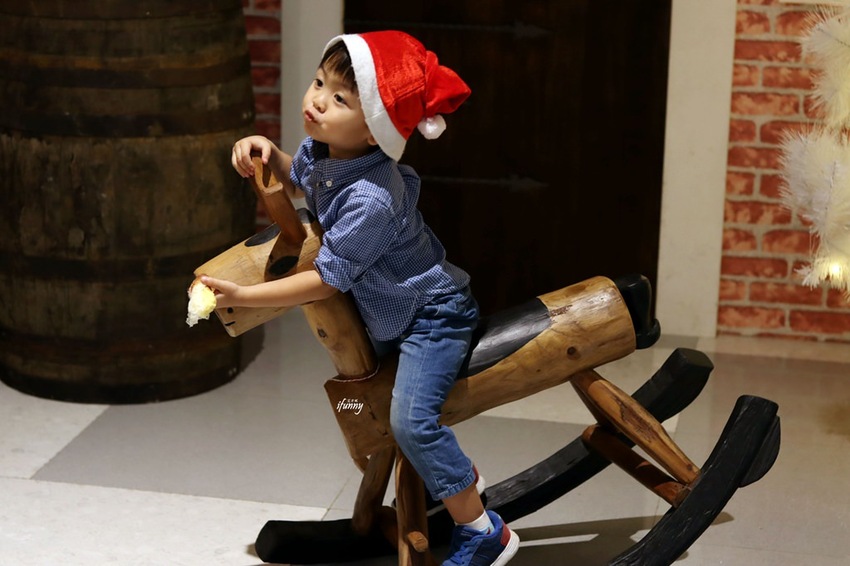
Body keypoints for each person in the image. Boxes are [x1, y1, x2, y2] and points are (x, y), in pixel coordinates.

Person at [202, 30, 519, 566]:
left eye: (340, 98)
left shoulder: (372, 197)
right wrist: (269, 154)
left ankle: (484, 531)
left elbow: (327, 279)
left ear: (375, 131)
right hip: (396, 317)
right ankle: (456, 479)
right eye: (318, 83)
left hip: (432, 318)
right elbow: (300, 179)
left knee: (411, 423)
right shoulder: (325, 151)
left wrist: (250, 295)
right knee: (375, 413)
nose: (317, 100)